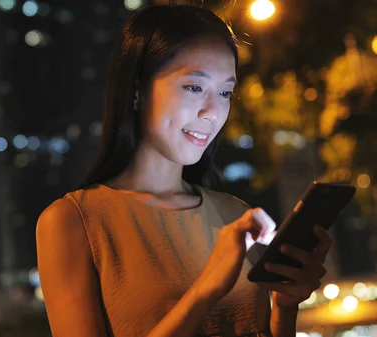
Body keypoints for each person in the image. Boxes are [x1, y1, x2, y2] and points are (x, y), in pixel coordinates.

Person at [36, 4, 332, 337]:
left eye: (224, 92)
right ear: (136, 91)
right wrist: (205, 289)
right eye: (194, 87)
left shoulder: (234, 213)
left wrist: (286, 306)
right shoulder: (74, 221)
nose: (212, 111)